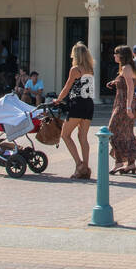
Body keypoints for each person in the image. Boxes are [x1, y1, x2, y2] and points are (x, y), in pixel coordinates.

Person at [56, 42, 96, 179]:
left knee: (65, 135)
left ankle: (79, 165)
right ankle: (86, 167)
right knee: (83, 137)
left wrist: (58, 100)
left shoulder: (75, 69)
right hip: (89, 104)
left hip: (77, 104)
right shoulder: (90, 69)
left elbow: (67, 87)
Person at [106, 45, 136, 175]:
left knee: (111, 130)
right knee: (126, 133)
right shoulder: (127, 68)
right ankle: (130, 164)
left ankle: (119, 161)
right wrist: (114, 82)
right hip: (123, 103)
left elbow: (130, 88)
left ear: (122, 56)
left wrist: (128, 107)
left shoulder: (126, 67)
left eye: (116, 53)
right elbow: (125, 82)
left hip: (124, 105)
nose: (114, 56)